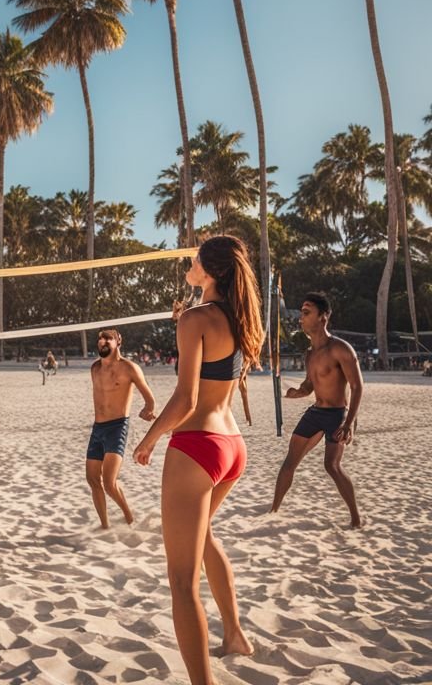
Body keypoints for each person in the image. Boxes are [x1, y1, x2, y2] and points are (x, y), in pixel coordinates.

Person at [132, 235, 260, 684]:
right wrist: (185, 321)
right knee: (203, 537)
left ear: (211, 270)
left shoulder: (196, 318)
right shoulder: (235, 317)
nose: (190, 260)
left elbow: (185, 399)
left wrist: (149, 437)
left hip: (198, 446)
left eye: (196, 257)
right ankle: (236, 636)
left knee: (182, 582)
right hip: (231, 446)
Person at [269, 292, 364, 528]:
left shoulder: (341, 349)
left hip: (336, 416)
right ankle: (273, 510)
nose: (301, 318)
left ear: (323, 317)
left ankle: (356, 519)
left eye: (306, 312)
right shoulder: (310, 354)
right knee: (289, 462)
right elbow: (309, 385)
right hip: (316, 413)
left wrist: (349, 422)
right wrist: (295, 392)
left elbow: (357, 386)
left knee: (331, 466)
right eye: (302, 312)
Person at [87, 329, 156, 529]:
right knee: (92, 479)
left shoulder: (129, 368)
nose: (102, 342)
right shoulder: (94, 368)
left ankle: (129, 517)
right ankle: (105, 526)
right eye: (100, 339)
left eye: (107, 338)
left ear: (118, 341)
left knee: (109, 483)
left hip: (117, 428)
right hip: (97, 428)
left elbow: (150, 400)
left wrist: (148, 410)